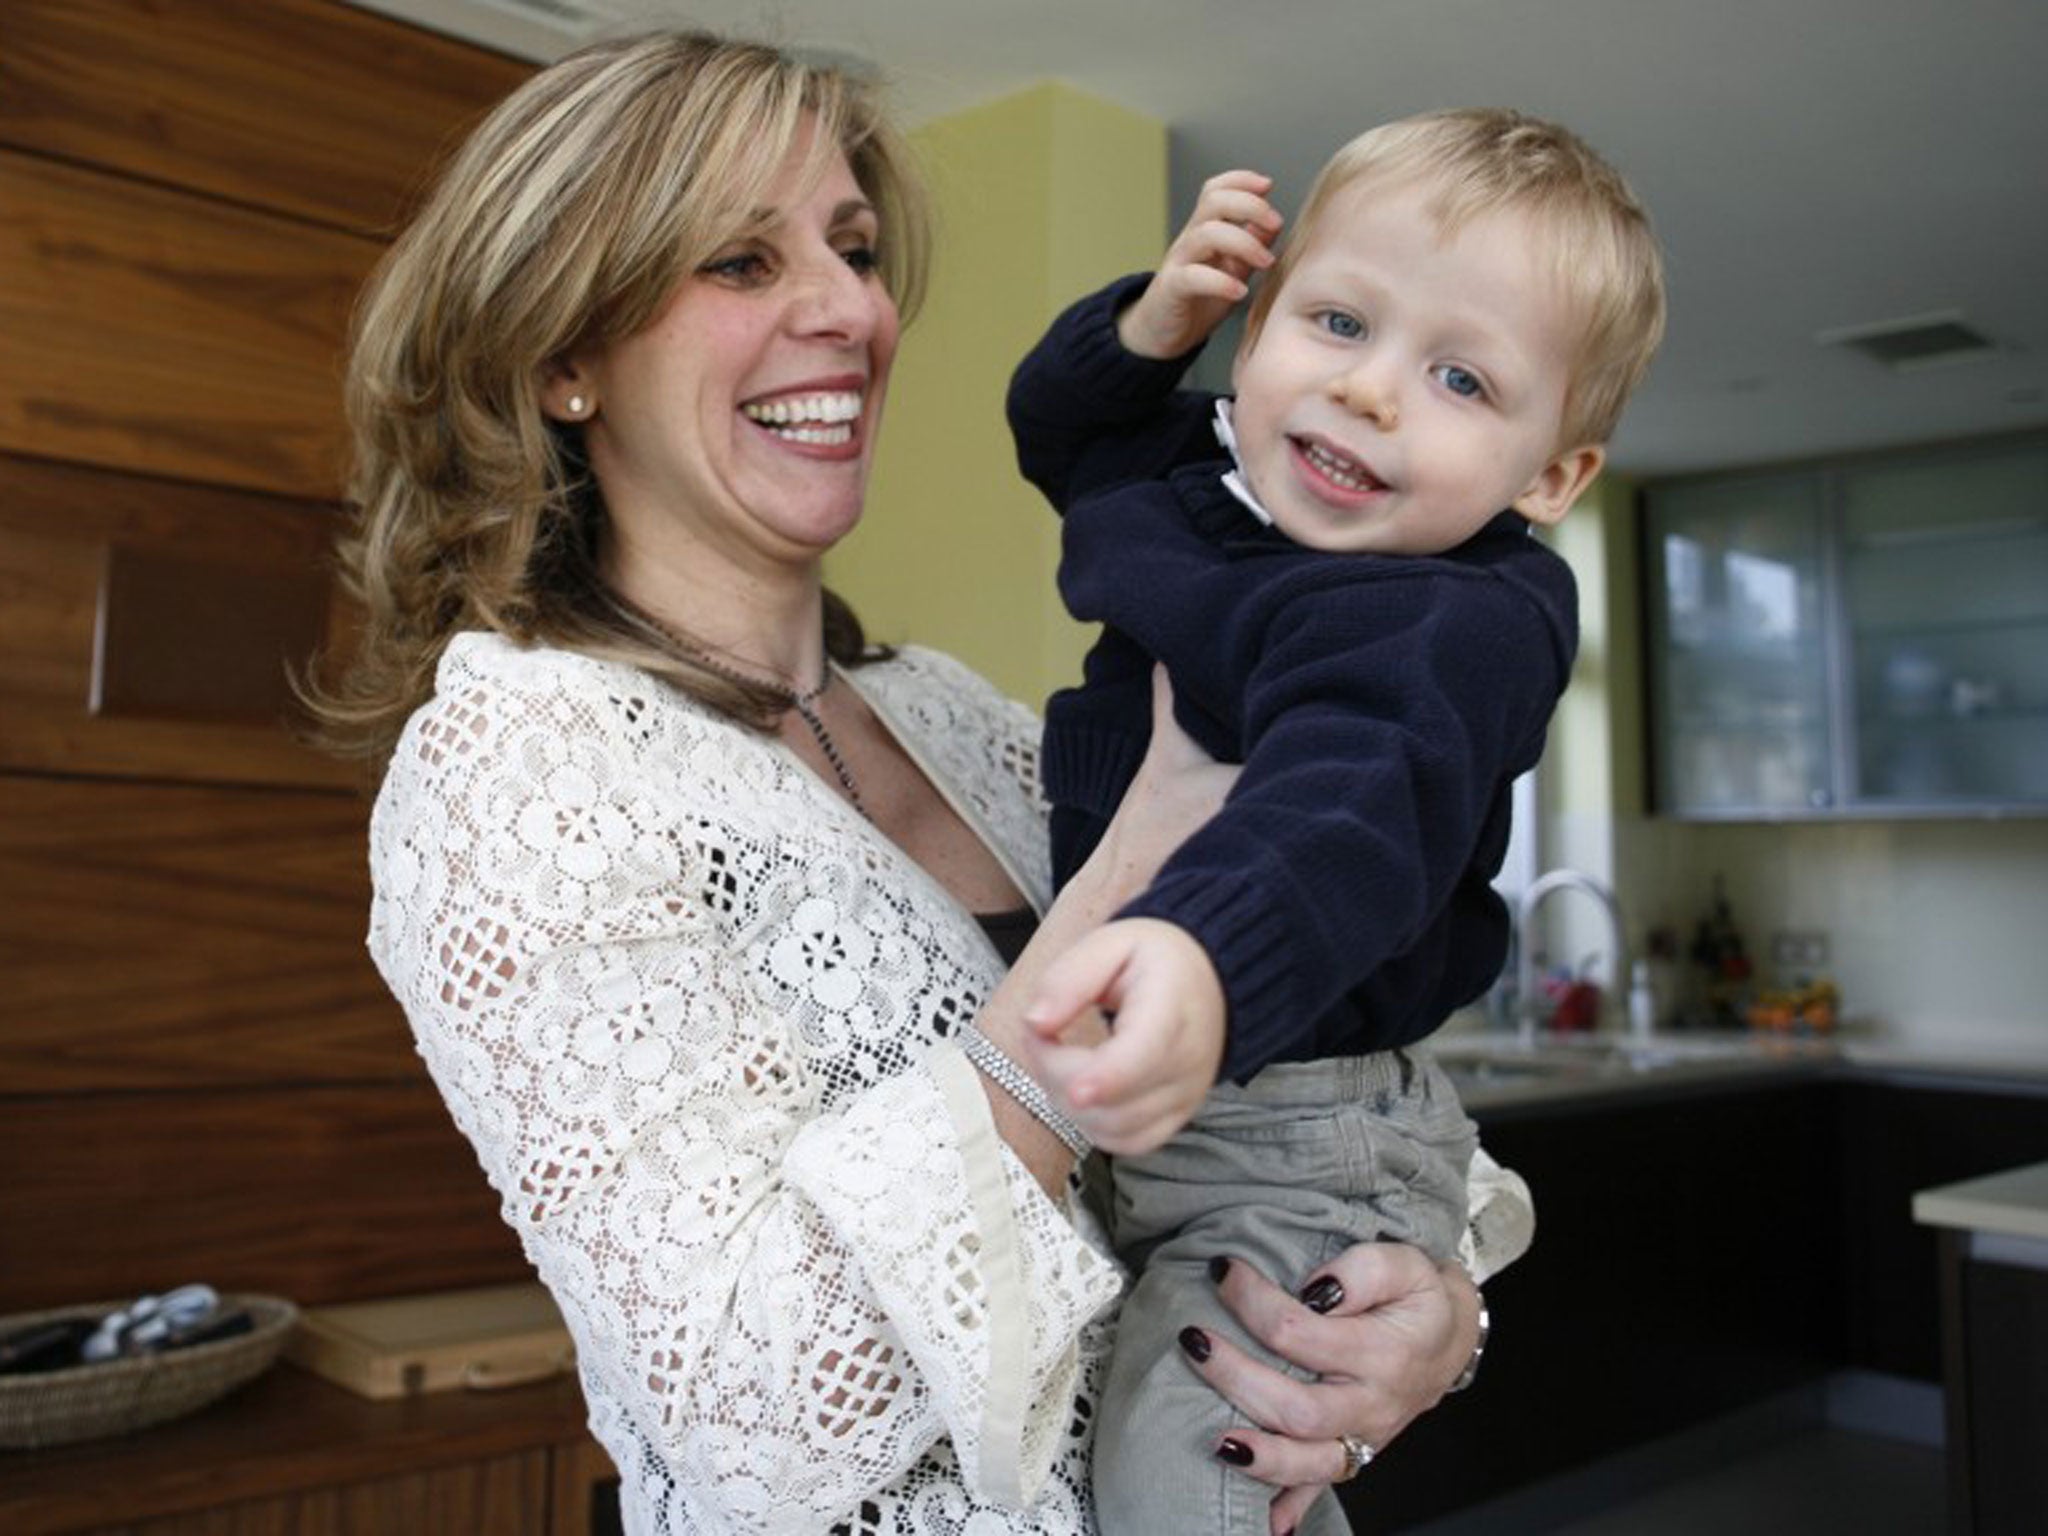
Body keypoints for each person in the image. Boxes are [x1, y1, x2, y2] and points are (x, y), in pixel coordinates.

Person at [310, 32, 1515, 1536]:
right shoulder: (518, 765)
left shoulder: (963, 719)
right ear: (564, 359)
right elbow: (753, 1415)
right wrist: (1110, 911)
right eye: (739, 263)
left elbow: (1302, 1103)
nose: (849, 311)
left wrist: (1419, 1318)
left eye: (855, 247)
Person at [1006, 112, 1665, 1535]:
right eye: (1338, 319)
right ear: (1260, 327)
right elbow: (1062, 432)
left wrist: (1197, 948)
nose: (1368, 393)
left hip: (1292, 1138)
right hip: (1157, 1116)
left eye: (1459, 376)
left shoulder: (1451, 621)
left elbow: (1346, 810)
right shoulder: (1207, 492)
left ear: (1551, 478)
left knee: (1191, 1488)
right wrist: (1150, 322)